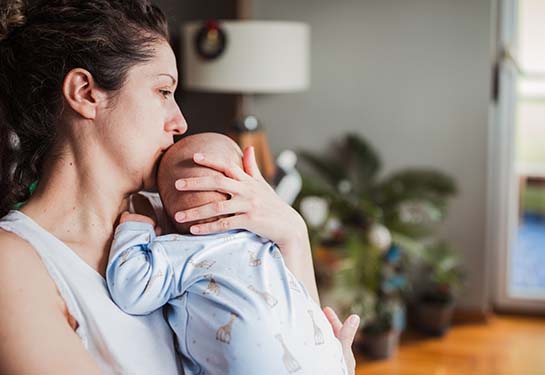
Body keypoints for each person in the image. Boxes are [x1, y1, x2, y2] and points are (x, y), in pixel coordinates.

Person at [0, 1, 360, 374]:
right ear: (86, 93)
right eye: (163, 91)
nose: (180, 122)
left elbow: (293, 345)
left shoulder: (181, 223)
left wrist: (291, 234)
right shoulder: (15, 264)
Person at [107, 133, 348, 375]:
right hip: (329, 363)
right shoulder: (266, 241)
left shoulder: (178, 251)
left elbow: (131, 290)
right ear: (247, 180)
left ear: (169, 213)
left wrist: (134, 229)